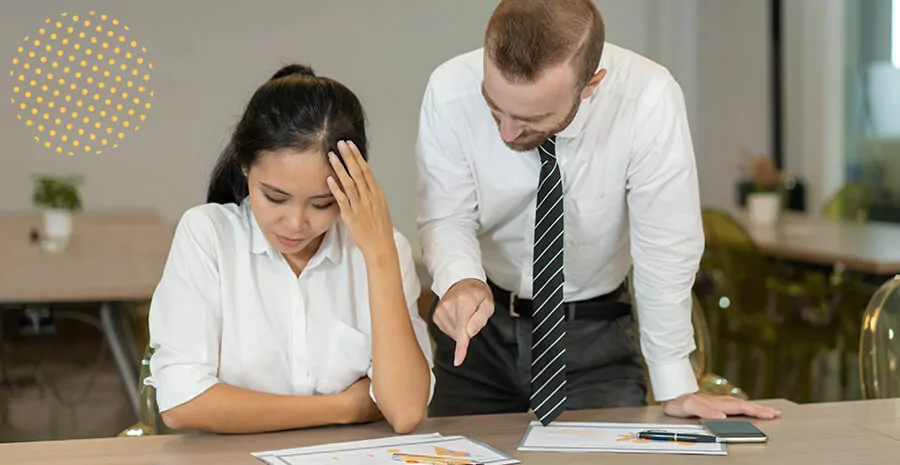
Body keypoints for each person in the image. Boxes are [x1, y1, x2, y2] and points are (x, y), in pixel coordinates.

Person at [415, 0, 780, 423]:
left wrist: (675, 382)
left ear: (592, 84)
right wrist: (460, 281)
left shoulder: (647, 98)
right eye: (495, 108)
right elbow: (447, 215)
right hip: (479, 333)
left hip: (597, 335)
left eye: (531, 118)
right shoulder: (449, 89)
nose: (507, 131)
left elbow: (665, 247)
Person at [148, 64, 432, 434]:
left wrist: (379, 258)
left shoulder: (380, 249)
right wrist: (344, 407)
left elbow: (406, 410)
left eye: (321, 204)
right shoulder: (208, 236)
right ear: (244, 166)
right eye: (275, 198)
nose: (296, 224)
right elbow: (182, 404)